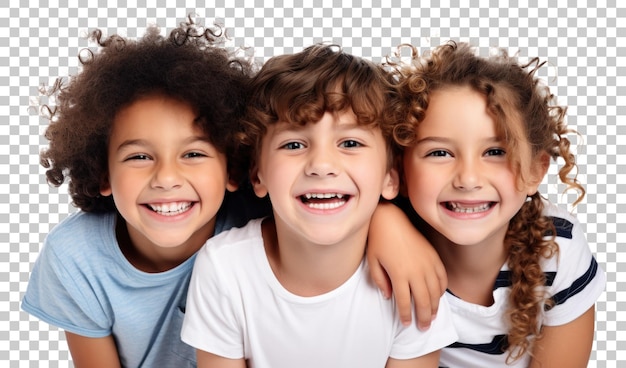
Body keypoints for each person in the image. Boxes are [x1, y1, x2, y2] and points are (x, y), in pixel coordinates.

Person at [181, 44, 458, 368]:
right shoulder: (225, 268)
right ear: (257, 175)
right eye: (294, 144)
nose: (322, 165)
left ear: (390, 176)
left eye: (350, 143)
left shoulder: (411, 277)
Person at [21, 19, 268, 367]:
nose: (166, 178)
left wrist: (378, 222)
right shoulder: (75, 257)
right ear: (103, 173)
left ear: (232, 169)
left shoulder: (260, 222)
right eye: (139, 156)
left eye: (194, 154)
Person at [371, 41, 606, 367]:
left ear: (535, 171)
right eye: (439, 153)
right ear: (399, 170)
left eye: (496, 152)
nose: (468, 179)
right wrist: (382, 221)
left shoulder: (557, 249)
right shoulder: (377, 240)